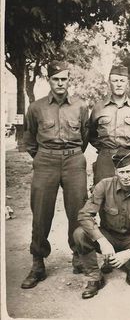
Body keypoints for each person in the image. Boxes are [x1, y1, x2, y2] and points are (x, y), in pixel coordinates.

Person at [21, 60, 89, 289]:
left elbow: (85, 136)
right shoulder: (36, 107)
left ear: (69, 80)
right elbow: (29, 139)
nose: (60, 83)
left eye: (64, 79)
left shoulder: (80, 106)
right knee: (41, 212)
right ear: (49, 80)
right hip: (46, 160)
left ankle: (79, 255)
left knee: (78, 210)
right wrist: (44, 157)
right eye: (56, 79)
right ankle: (38, 262)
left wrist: (72, 154)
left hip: (74, 160)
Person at [73, 148, 130, 299]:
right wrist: (101, 240)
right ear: (115, 171)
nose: (125, 177)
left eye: (129, 171)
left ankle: (129, 264)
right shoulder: (104, 186)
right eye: (121, 172)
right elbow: (84, 215)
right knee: (80, 234)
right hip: (109, 236)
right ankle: (95, 277)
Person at [89, 65, 130, 184]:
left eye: (122, 81)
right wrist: (105, 149)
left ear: (127, 83)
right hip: (106, 160)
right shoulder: (98, 108)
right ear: (109, 83)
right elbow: (91, 134)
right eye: (115, 81)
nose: (118, 84)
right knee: (104, 196)